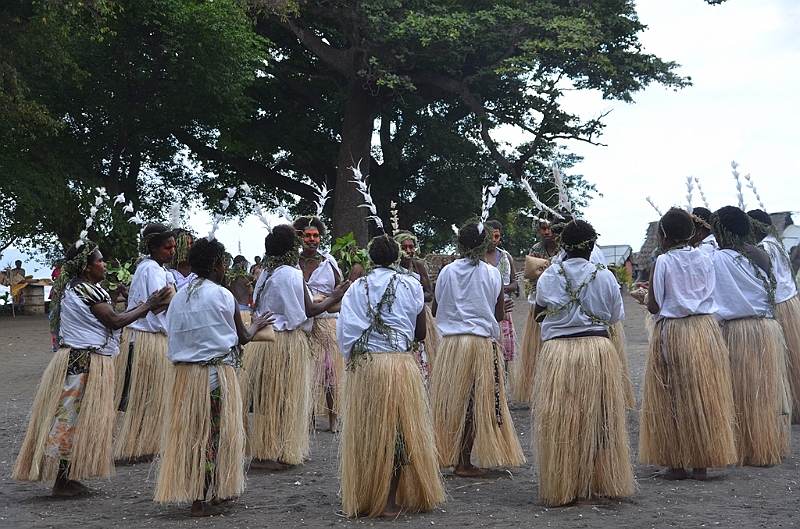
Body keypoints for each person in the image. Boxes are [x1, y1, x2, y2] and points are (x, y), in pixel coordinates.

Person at [13, 240, 170, 496]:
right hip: (83, 361)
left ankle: (68, 478)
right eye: (99, 261)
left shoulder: (72, 288)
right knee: (71, 418)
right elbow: (115, 320)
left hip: (78, 358)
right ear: (87, 268)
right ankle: (62, 483)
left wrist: (140, 305)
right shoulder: (87, 290)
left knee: (78, 418)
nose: (104, 264)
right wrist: (148, 305)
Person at [155, 238, 273, 517]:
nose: (225, 268)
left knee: (193, 435)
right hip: (215, 377)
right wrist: (256, 324)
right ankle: (200, 501)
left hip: (184, 377)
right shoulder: (222, 295)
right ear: (216, 266)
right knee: (212, 436)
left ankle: (209, 492)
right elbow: (242, 337)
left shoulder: (180, 295)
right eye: (223, 263)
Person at [337, 234, 445, 517]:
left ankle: (368, 497)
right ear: (397, 257)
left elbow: (345, 333)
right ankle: (388, 501)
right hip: (399, 367)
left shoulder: (358, 287)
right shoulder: (410, 284)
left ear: (370, 259)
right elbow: (420, 333)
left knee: (368, 432)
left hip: (365, 367)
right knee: (398, 431)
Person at [532, 219, 634, 506]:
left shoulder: (550, 275)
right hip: (597, 351)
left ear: (563, 245)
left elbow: (537, 313)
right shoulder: (605, 277)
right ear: (592, 247)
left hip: (558, 354)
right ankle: (589, 485)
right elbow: (614, 319)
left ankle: (567, 485)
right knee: (598, 419)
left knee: (563, 420)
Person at [639, 208, 737, 481]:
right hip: (705, 329)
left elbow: (654, 305)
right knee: (704, 393)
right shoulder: (706, 257)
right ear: (693, 233)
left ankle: (676, 464)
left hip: (675, 331)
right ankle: (702, 464)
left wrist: (647, 296)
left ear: (664, 237)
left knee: (673, 393)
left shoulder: (664, 262)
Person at [243, 225, 348, 470]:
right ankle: (273, 453)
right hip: (286, 341)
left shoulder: (266, 273)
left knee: (269, 399)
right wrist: (334, 297)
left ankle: (273, 451)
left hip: (265, 343)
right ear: (291, 248)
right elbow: (309, 310)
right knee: (286, 398)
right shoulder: (291, 274)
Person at [429, 221, 525, 477]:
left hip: (451, 345)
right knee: (473, 401)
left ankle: (453, 456)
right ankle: (464, 462)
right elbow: (497, 314)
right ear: (484, 245)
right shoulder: (492, 273)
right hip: (479, 344)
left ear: (459, 244)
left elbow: (436, 310)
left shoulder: (447, 272)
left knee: (453, 402)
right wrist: (501, 309)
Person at [711, 206, 788, 466]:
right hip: (767, 330)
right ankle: (765, 445)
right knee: (763, 390)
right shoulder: (761, 255)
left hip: (740, 331)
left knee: (742, 390)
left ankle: (747, 447)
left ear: (722, 232)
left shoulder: (718, 259)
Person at [114, 223, 177, 462]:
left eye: (173, 247)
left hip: (151, 338)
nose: (171, 251)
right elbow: (157, 306)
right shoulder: (150, 269)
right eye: (166, 247)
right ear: (153, 247)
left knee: (149, 396)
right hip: (145, 339)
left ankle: (144, 445)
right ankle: (134, 447)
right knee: (141, 397)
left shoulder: (155, 269)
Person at [748, 209, 800, 424]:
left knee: (785, 359)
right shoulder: (776, 243)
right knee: (793, 358)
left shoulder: (764, 248)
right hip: (790, 303)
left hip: (779, 306)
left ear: (756, 228)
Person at [293, 216, 345, 433]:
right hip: (303, 325)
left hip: (326, 324)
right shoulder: (293, 263)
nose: (312, 240)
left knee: (329, 372)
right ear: (300, 237)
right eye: (307, 236)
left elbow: (340, 292)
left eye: (315, 236)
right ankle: (308, 418)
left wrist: (326, 300)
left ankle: (333, 417)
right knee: (306, 374)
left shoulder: (329, 262)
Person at [511, 217, 558, 404]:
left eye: (549, 228)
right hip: (539, 305)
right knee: (538, 350)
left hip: (561, 306)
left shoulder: (567, 249)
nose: (546, 232)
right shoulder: (535, 250)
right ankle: (538, 390)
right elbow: (530, 280)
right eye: (543, 229)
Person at [395, 230, 437, 380]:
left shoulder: (418, 265)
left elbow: (429, 294)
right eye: (404, 247)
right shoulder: (391, 267)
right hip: (399, 317)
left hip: (419, 317)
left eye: (411, 247)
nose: (408, 251)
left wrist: (412, 298)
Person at [484, 220, 518, 372]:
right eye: (490, 236)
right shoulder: (478, 258)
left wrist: (499, 289)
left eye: (497, 237)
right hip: (484, 310)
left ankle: (501, 387)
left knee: (503, 354)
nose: (493, 241)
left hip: (504, 312)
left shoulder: (505, 257)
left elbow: (514, 283)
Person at [226, 255, 254, 324]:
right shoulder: (248, 277)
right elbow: (259, 290)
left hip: (231, 310)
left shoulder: (227, 278)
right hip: (244, 310)